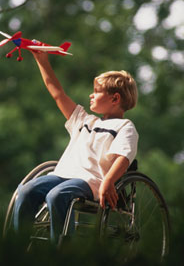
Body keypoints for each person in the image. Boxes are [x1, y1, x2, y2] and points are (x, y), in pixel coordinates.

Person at [13, 50, 139, 244]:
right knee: (26, 190)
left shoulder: (124, 127)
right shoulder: (84, 120)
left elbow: (124, 157)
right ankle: (16, 248)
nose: (91, 94)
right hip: (61, 174)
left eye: (97, 92)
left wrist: (109, 181)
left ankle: (64, 253)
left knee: (57, 196)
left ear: (115, 99)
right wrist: (42, 60)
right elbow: (57, 93)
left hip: (91, 181)